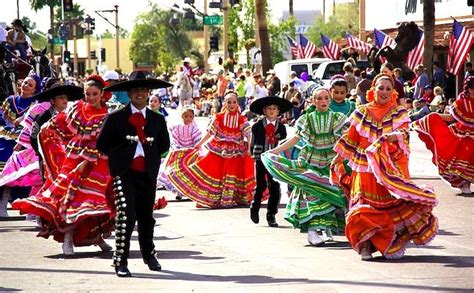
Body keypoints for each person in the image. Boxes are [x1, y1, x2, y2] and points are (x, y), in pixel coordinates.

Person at [331, 73, 438, 260]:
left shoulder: (399, 113)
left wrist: (392, 136)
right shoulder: (361, 112)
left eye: (389, 88)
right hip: (363, 166)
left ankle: (384, 241)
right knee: (362, 206)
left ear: (394, 92)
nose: (384, 92)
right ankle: (364, 246)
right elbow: (351, 138)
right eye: (381, 87)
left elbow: (404, 136)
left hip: (387, 168)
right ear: (373, 89)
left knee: (390, 207)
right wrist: (337, 159)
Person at [13, 75, 115, 256]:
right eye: (87, 94)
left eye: (94, 94)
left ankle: (97, 237)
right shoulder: (77, 110)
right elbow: (50, 127)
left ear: (102, 94)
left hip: (97, 163)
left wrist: (85, 161)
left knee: (97, 201)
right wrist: (57, 155)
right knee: (71, 199)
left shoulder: (106, 116)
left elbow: (101, 144)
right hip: (74, 161)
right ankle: (68, 238)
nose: (91, 98)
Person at [97, 71, 171, 277]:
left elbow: (165, 145)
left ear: (148, 93)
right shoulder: (116, 118)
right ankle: (120, 260)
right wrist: (122, 151)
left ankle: (149, 255)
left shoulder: (157, 120)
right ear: (129, 94)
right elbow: (102, 144)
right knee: (126, 216)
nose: (139, 94)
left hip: (147, 174)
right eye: (135, 90)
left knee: (147, 217)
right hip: (124, 173)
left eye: (143, 90)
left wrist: (151, 155)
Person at [262, 88, 348, 245]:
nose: (323, 101)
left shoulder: (337, 118)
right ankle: (312, 231)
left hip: (331, 160)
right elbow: (295, 139)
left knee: (331, 194)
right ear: (313, 101)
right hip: (311, 160)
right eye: (319, 98)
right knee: (312, 194)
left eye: (326, 98)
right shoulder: (307, 119)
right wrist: (273, 151)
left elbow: (346, 139)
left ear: (329, 100)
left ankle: (326, 229)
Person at [0, 84, 83, 212]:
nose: (65, 101)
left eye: (66, 97)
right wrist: (44, 153)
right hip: (45, 157)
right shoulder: (43, 116)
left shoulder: (70, 116)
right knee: (40, 182)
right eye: (61, 97)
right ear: (52, 101)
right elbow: (33, 137)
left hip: (65, 158)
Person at [167, 92, 256, 208]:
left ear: (237, 103)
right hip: (219, 149)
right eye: (229, 102)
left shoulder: (242, 119)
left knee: (232, 173)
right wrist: (199, 144)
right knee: (212, 170)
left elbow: (248, 134)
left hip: (235, 150)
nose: (232, 104)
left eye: (234, 102)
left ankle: (229, 198)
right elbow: (210, 133)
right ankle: (209, 199)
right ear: (225, 103)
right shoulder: (218, 117)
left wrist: (248, 148)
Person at [411, 76, 474, 195]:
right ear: (469, 89)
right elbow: (451, 117)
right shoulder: (462, 101)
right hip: (463, 135)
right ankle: (464, 184)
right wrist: (434, 116)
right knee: (461, 159)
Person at [0, 74, 41, 217]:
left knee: (26, 170)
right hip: (6, 139)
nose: (25, 86)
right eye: (24, 83)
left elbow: (34, 126)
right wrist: (9, 132)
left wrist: (22, 136)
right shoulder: (10, 100)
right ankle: (2, 204)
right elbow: (1, 119)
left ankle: (26, 205)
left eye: (30, 85)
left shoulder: (36, 104)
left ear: (35, 90)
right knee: (4, 162)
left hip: (25, 143)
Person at [248, 96, 292, 227]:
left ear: (278, 111)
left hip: (275, 160)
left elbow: (284, 143)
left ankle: (271, 214)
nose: (272, 111)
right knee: (260, 185)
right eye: (269, 109)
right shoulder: (256, 126)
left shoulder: (282, 128)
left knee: (275, 187)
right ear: (264, 111)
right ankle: (254, 207)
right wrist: (252, 153)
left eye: (274, 109)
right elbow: (252, 142)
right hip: (260, 159)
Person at [159, 106, 202, 200]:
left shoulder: (194, 128)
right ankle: (179, 192)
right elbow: (174, 141)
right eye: (186, 116)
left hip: (191, 154)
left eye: (191, 116)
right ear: (181, 116)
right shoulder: (177, 127)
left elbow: (197, 141)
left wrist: (193, 150)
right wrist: (178, 149)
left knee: (190, 174)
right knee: (176, 173)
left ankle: (189, 193)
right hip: (179, 152)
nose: (188, 118)